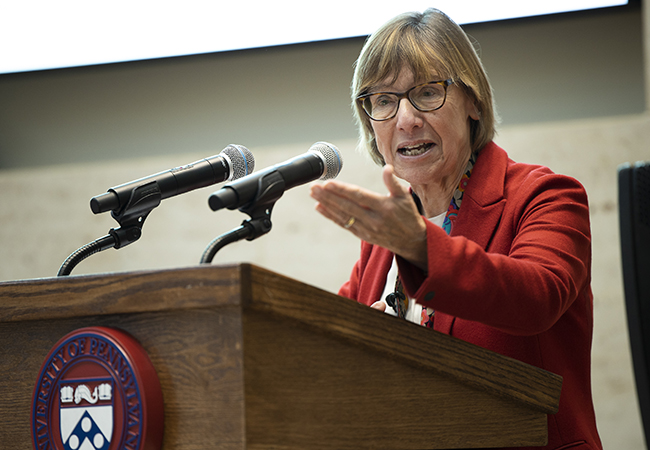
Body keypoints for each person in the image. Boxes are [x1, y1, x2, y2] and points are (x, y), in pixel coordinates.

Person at [310, 8, 602, 450]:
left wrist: (418, 245)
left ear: (474, 101)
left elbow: (537, 296)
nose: (405, 119)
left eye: (427, 92)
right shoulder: (382, 239)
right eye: (384, 101)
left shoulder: (546, 197)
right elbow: (325, 339)